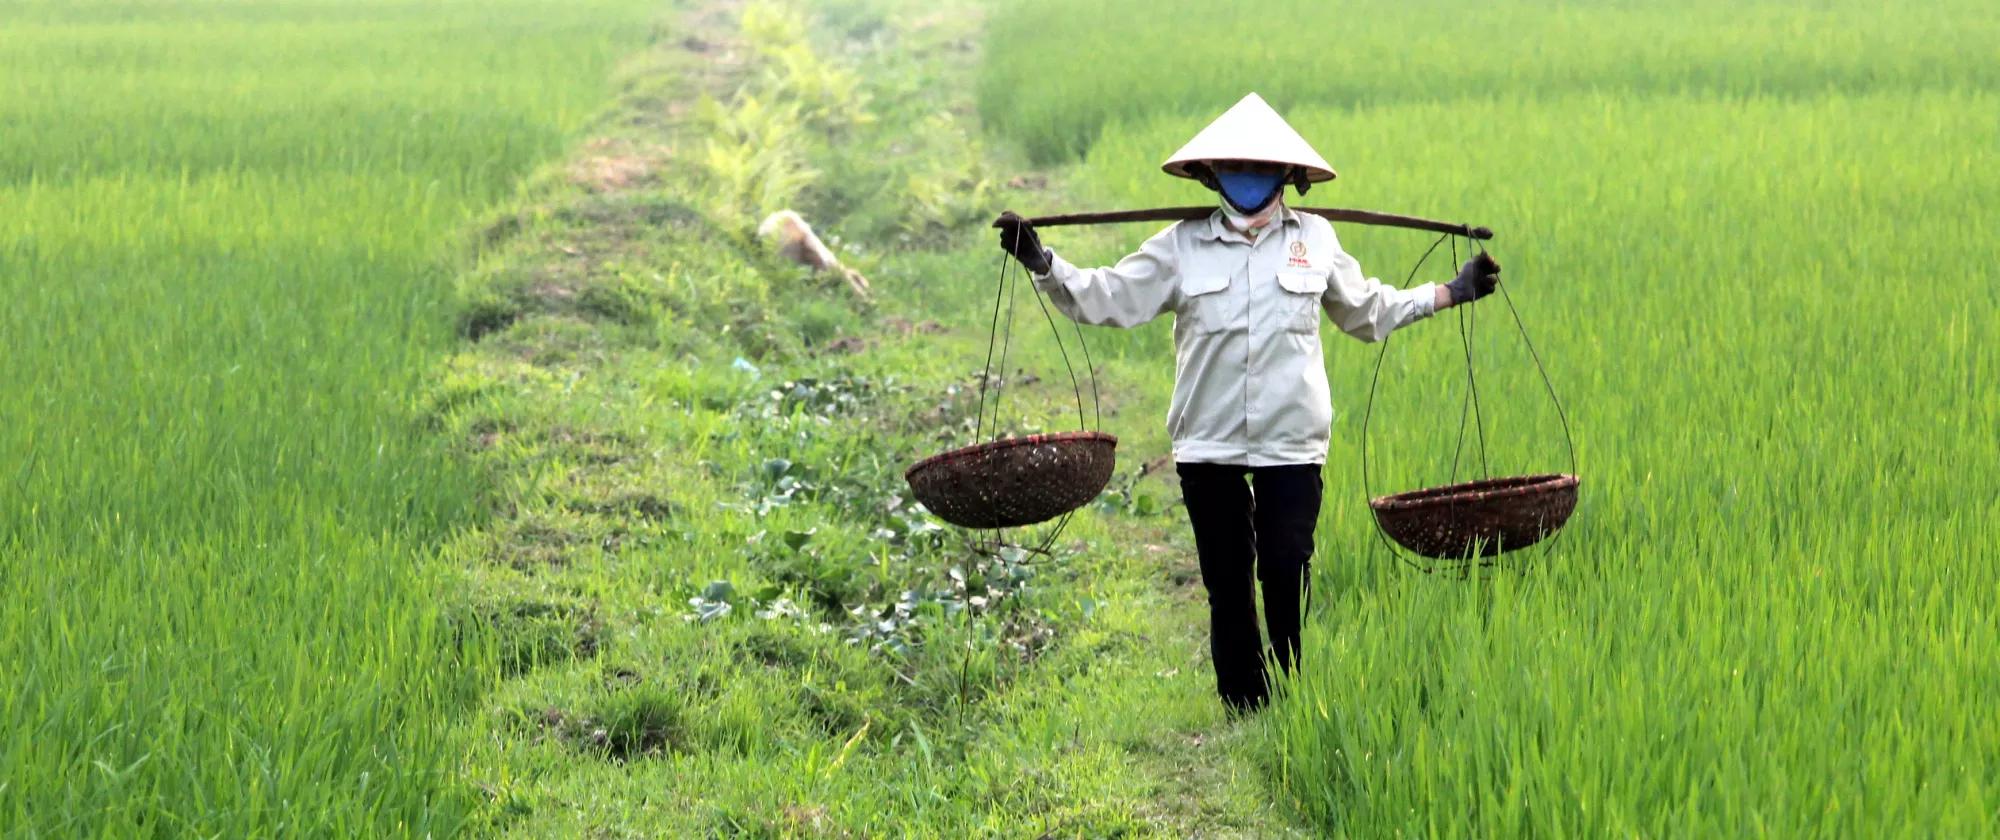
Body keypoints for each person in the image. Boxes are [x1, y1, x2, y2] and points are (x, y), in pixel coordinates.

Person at [993, 93, 1499, 714]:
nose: (1249, 179)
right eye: (1235, 167)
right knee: (1227, 582)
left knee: (1287, 570)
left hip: (1293, 439)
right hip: (1209, 439)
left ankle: (1289, 696)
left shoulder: (1315, 240)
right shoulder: (1180, 246)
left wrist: (1450, 292)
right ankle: (1243, 705)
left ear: (1288, 176)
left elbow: (1367, 312)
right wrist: (1041, 262)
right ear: (1210, 175)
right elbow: (1111, 298)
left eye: (1262, 168)